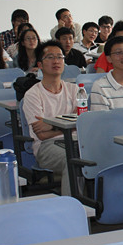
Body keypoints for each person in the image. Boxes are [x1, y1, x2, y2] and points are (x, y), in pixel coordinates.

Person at [22, 40, 77, 196]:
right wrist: (70, 125)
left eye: (60, 57)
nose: (56, 61)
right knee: (72, 160)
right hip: (47, 147)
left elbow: (82, 122)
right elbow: (41, 135)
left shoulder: (74, 90)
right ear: (40, 65)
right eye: (50, 57)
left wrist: (51, 125)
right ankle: (70, 205)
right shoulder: (33, 95)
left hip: (76, 141)